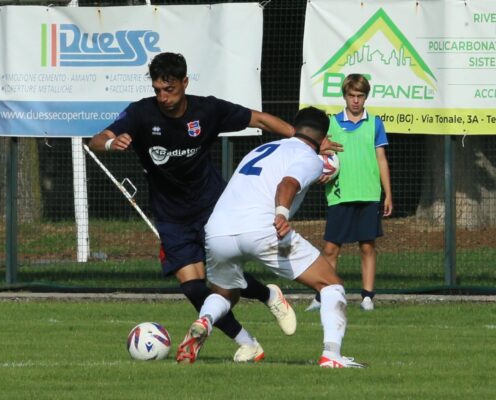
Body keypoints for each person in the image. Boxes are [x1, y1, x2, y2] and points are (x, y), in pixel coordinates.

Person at [87, 52, 299, 363]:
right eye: (158, 90)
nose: (164, 97)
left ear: (184, 83)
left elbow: (261, 119)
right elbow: (98, 138)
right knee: (192, 288)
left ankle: (268, 295)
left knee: (224, 285)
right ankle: (248, 342)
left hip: (214, 209)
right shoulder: (142, 114)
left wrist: (306, 142)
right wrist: (109, 144)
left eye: (169, 89)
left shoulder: (207, 110)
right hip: (171, 216)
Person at [175, 106, 364, 368]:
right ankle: (332, 355)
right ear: (324, 137)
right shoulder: (310, 158)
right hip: (263, 229)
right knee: (330, 284)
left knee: (225, 293)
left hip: (218, 230)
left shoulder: (262, 149)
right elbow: (288, 184)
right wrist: (282, 213)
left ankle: (204, 320)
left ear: (295, 127)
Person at [305, 73, 393, 312]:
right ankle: (323, 295)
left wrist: (388, 194)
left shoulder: (374, 123)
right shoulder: (331, 123)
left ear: (365, 97)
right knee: (331, 248)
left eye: (360, 96)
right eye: (351, 95)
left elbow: (381, 159)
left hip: (368, 193)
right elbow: (321, 156)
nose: (355, 100)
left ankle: (367, 297)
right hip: (340, 194)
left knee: (367, 246)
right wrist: (320, 171)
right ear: (344, 96)